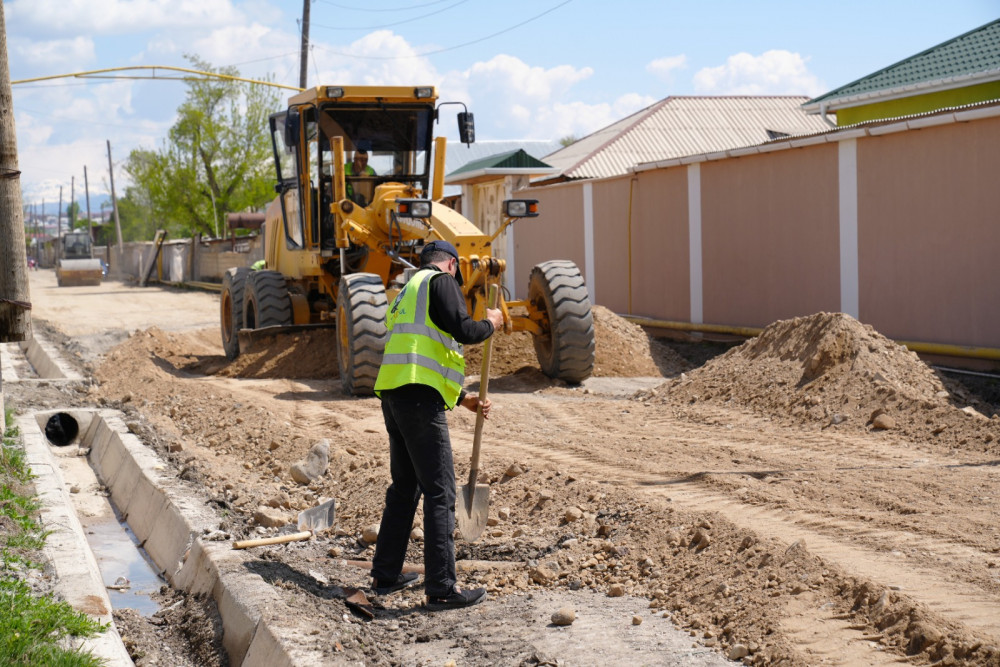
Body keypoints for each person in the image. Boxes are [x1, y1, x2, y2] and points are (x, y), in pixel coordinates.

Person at [370, 239, 504, 611]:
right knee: (441, 492)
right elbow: (464, 330)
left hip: (395, 396)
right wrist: (490, 323)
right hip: (417, 401)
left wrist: (463, 398)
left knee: (405, 487)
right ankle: (442, 588)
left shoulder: (405, 292)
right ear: (453, 264)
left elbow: (421, 355)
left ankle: (385, 573)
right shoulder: (439, 281)